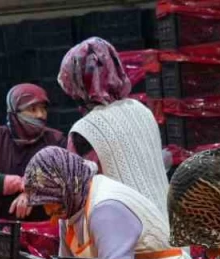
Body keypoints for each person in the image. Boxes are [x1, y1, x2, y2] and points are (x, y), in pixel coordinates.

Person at [24, 146, 194, 259]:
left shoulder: (105, 209)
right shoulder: (69, 208)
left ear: (66, 187)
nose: (51, 216)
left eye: (54, 206)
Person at [59, 37, 170, 214]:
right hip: (168, 225)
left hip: (129, 235)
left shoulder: (85, 130)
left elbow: (79, 196)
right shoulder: (142, 110)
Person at [0, 83, 65, 220]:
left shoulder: (55, 140)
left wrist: (34, 192)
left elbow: (68, 178)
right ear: (14, 112)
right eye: (32, 109)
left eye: (43, 109)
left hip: (48, 228)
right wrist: (19, 183)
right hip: (2, 230)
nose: (40, 115)